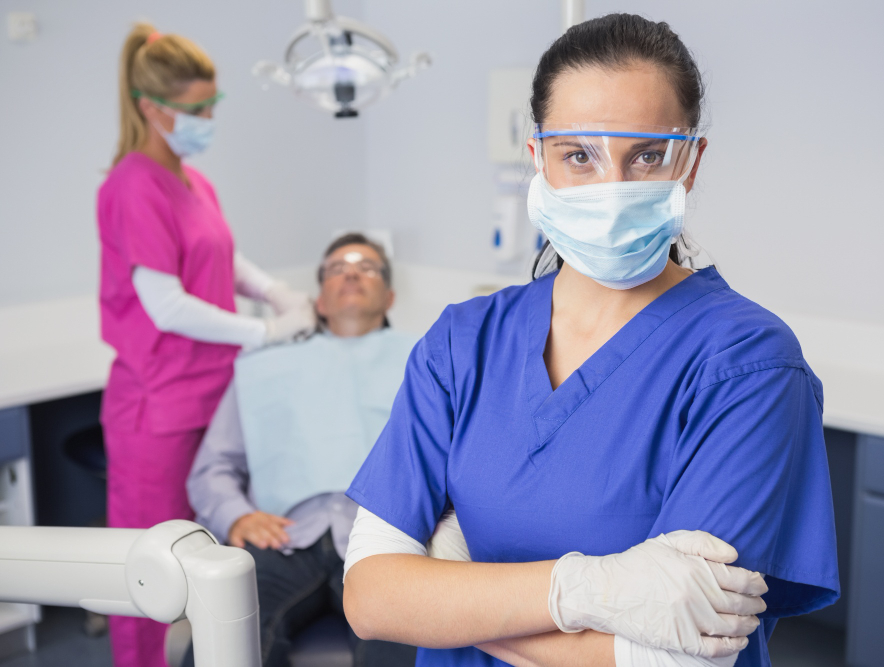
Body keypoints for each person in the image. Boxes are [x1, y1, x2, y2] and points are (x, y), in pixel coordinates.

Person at [341, 13, 839, 667]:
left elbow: (682, 657)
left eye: (647, 155)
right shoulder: (462, 344)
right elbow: (371, 598)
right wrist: (589, 590)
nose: (612, 188)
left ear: (690, 161)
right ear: (537, 161)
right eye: (579, 155)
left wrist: (446, 597)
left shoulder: (749, 363)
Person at [97, 23, 316, 667]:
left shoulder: (194, 182)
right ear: (151, 107)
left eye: (211, 105)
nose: (207, 119)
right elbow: (164, 303)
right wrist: (264, 331)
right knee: (146, 571)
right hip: (156, 410)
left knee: (212, 562)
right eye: (196, 110)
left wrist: (278, 293)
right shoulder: (132, 184)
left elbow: (222, 256)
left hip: (212, 397)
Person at [183, 235, 419, 667]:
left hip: (387, 542)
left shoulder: (426, 363)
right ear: (319, 301)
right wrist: (237, 515)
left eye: (367, 267)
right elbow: (212, 467)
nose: (351, 272)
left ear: (389, 297)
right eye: (337, 268)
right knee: (222, 641)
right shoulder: (265, 369)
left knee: (401, 652)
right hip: (286, 537)